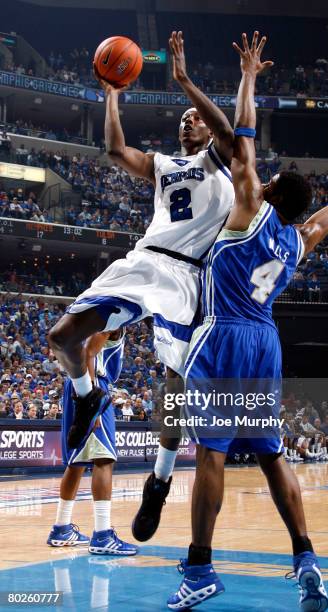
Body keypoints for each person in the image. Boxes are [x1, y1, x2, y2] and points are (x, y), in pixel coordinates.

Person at [167, 31, 328, 611]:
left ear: (268, 190)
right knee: (273, 455)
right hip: (267, 341)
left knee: (210, 455)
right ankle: (306, 557)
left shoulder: (248, 207)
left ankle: (200, 568)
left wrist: (247, 77)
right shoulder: (298, 240)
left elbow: (238, 134)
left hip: (223, 333)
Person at [48, 30, 234, 536]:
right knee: (61, 337)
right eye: (182, 118)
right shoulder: (163, 165)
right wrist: (111, 95)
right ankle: (88, 395)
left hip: (189, 277)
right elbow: (114, 149)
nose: (187, 121)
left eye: (194, 119)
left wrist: (184, 80)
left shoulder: (218, 160)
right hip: (144, 261)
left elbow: (228, 128)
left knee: (174, 385)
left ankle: (160, 479)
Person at [47, 329, 138, 555]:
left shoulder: (93, 312)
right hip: (92, 385)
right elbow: (88, 351)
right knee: (104, 458)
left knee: (76, 462)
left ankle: (61, 528)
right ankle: (103, 535)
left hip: (77, 383)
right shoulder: (112, 315)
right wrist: (91, 404)